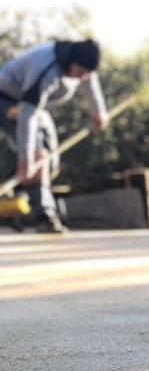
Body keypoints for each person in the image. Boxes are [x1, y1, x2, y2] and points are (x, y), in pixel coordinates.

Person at [0, 39, 110, 233]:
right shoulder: (45, 68)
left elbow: (90, 83)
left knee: (51, 161)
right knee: (37, 154)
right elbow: (27, 115)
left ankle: (17, 200)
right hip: (8, 99)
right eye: (80, 72)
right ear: (72, 63)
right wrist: (25, 158)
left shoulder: (81, 65)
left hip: (36, 107)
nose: (82, 78)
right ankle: (44, 215)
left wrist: (98, 112)